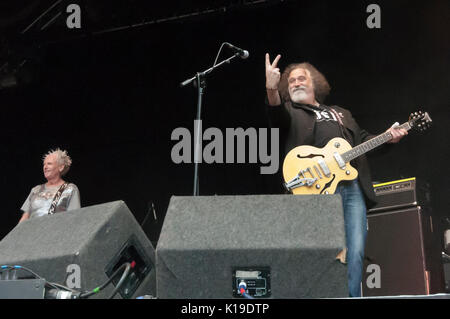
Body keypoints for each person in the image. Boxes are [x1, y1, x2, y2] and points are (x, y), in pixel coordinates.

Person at [265, 53, 407, 297]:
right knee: (321, 252)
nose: (296, 83)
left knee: (354, 251)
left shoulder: (341, 113)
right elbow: (274, 114)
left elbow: (362, 142)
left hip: (352, 188)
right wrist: (270, 88)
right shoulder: (290, 111)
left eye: (301, 79)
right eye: (291, 81)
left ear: (315, 84)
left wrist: (388, 137)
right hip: (315, 188)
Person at [18, 148, 81, 223]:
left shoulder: (70, 189)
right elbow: (25, 216)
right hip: (32, 232)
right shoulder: (36, 190)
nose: (45, 167)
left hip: (56, 232)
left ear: (61, 167)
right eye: (44, 164)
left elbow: (74, 217)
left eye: (49, 164)